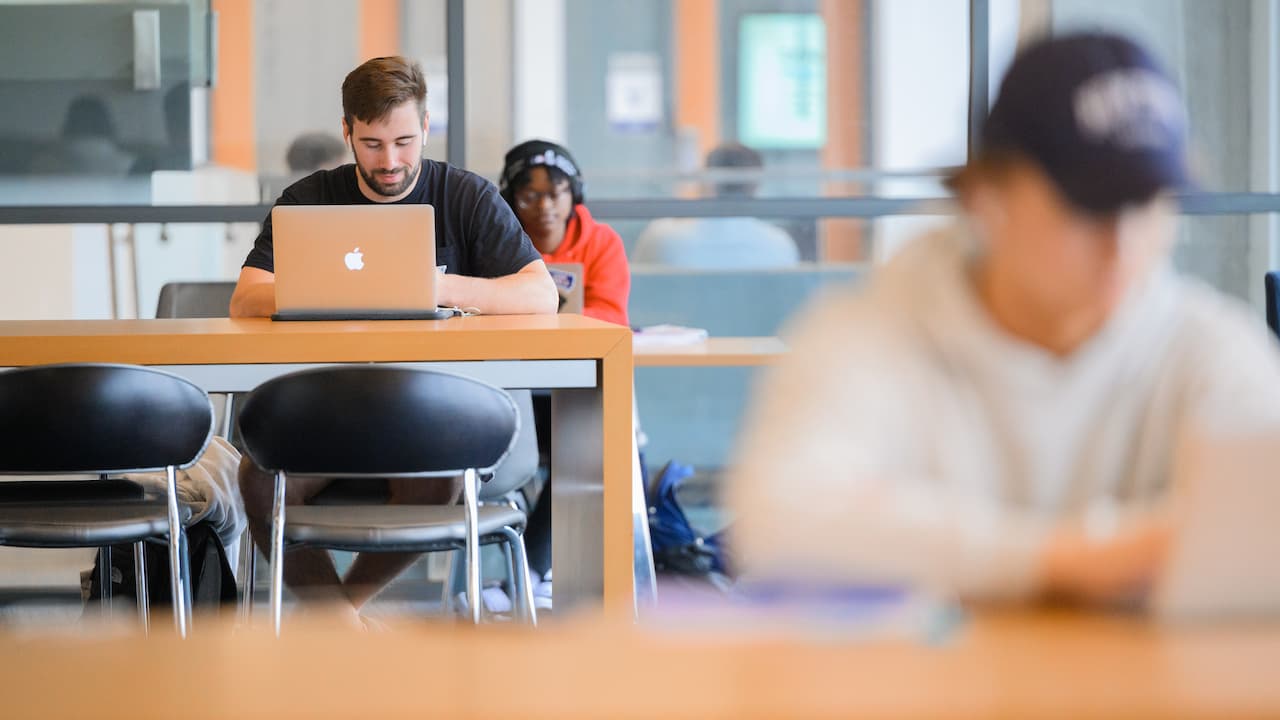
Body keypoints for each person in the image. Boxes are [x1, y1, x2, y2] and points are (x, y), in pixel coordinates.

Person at [728, 33, 1280, 606]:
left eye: (1145, 204)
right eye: (1087, 206)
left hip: (1159, 696)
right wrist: (1074, 558)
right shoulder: (871, 337)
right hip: (930, 693)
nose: (1124, 244)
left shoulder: (1205, 346)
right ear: (987, 197)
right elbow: (776, 525)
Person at [230, 56, 557, 622]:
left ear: (426, 127)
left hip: (426, 423)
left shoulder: (466, 197)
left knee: (439, 483)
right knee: (255, 481)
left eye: (405, 141)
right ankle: (347, 631)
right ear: (348, 132)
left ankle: (337, 622)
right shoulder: (309, 200)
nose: (391, 161)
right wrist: (330, 290)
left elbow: (540, 295)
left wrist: (436, 286)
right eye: (373, 143)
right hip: (329, 416)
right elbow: (247, 298)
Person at [499, 139, 630, 326]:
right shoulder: (497, 244)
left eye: (555, 194)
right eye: (529, 197)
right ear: (510, 199)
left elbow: (612, 317)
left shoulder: (602, 242)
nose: (544, 206)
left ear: (575, 193)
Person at [633, 142, 799, 269]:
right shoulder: (778, 245)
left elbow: (635, 296)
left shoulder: (661, 237)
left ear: (705, 179)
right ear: (755, 185)